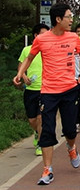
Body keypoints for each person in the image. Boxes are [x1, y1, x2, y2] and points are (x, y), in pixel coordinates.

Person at [13, 3, 80, 185]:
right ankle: (47, 169)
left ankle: (72, 146)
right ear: (58, 19)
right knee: (47, 130)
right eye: (68, 17)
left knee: (70, 129)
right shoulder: (42, 39)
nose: (71, 20)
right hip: (48, 92)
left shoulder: (73, 38)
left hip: (70, 90)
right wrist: (20, 73)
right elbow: (29, 58)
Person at [17, 23, 49, 156]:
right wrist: (23, 76)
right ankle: (37, 133)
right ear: (36, 36)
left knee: (40, 118)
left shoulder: (49, 50)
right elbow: (20, 67)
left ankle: (41, 144)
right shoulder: (27, 50)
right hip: (30, 90)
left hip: (45, 89)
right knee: (32, 120)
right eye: (43, 34)